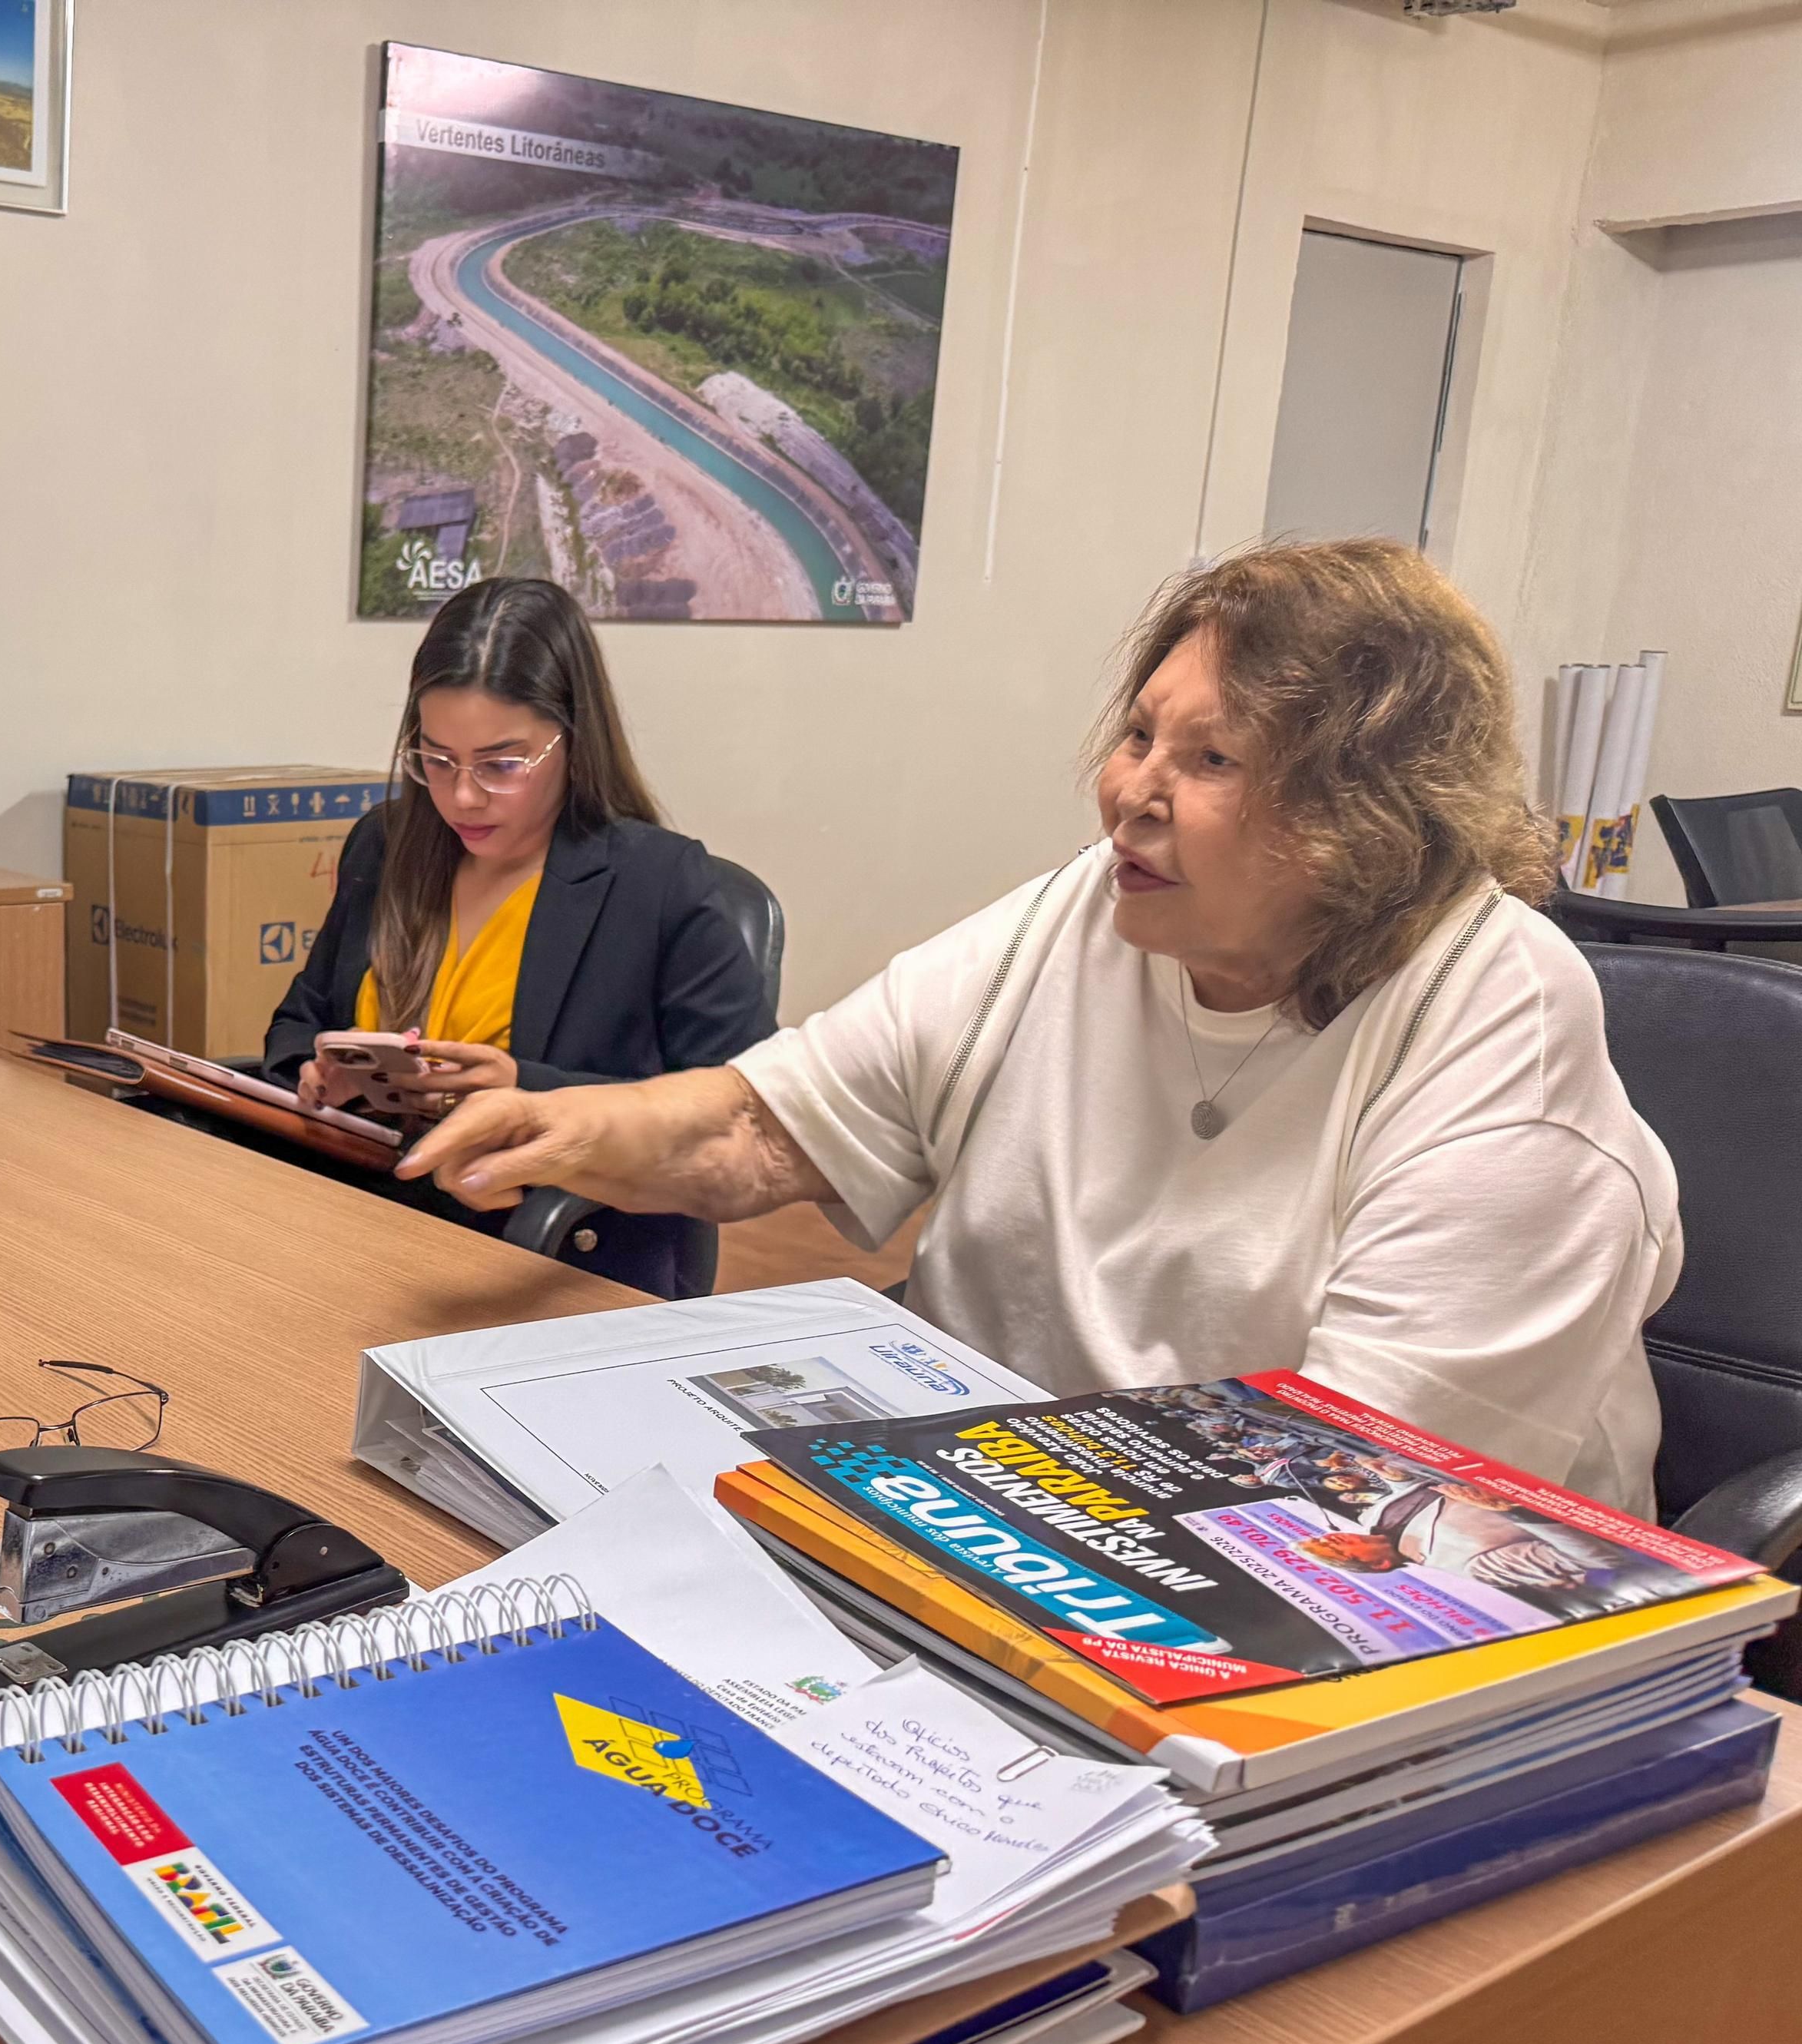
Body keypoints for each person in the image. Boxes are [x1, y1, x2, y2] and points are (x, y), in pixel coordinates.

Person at [406, 538, 1684, 1516]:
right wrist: (564, 1126)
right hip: (1009, 1512)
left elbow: (1356, 1501)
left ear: (1365, 815)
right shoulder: (1093, 912)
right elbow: (760, 1129)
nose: (1131, 793)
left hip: (1343, 1597)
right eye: (1138, 736)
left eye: (1212, 760)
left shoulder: (1491, 1022)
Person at [263, 577, 770, 1297]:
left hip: (552, 1257)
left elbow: (743, 1108)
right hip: (360, 1226)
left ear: (573, 742)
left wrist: (527, 1090)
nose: (462, 796)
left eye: (502, 765)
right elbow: (296, 1024)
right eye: (436, 760)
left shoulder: (656, 883)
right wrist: (315, 1075)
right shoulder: (388, 845)